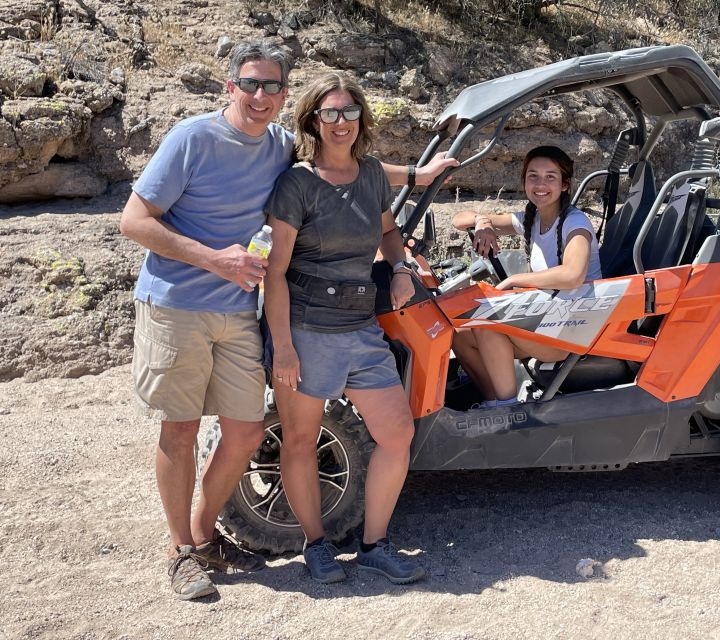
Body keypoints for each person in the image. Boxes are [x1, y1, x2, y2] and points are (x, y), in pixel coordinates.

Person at [120, 41, 453, 600]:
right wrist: (216, 261)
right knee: (180, 430)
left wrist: (418, 180)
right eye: (250, 84)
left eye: (272, 87)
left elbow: (356, 171)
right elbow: (134, 220)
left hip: (240, 310)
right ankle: (184, 551)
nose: (259, 96)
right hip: (178, 300)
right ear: (230, 86)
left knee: (249, 430)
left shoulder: (279, 145)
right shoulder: (194, 139)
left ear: (282, 98)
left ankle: (207, 537)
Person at [263, 72, 425, 585]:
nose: (341, 123)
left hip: (361, 327)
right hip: (308, 328)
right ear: (313, 118)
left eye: (349, 113)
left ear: (361, 118)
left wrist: (400, 268)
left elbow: (388, 231)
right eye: (330, 113)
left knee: (397, 433)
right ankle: (316, 546)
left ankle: (374, 545)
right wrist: (283, 347)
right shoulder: (298, 184)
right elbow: (275, 270)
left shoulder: (372, 173)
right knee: (300, 440)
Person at [450, 145, 602, 407]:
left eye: (550, 177)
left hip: (574, 326)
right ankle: (492, 402)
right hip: (548, 319)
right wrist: (482, 222)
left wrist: (515, 280)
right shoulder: (530, 219)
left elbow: (573, 275)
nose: (540, 184)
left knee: (488, 324)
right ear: (524, 182)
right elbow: (458, 219)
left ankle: (508, 409)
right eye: (533, 176)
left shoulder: (575, 223)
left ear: (565, 185)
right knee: (459, 335)